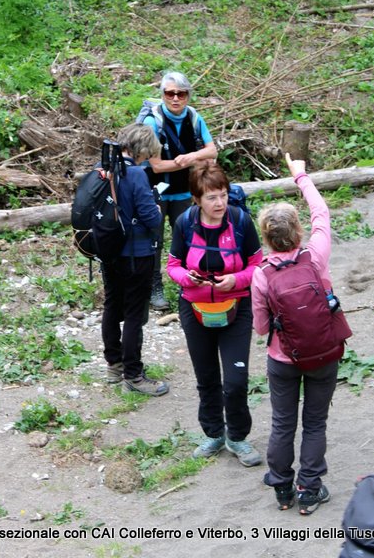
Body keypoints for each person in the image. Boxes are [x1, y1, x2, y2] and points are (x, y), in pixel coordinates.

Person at [251, 152, 339, 514]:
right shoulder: (315, 257)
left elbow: (260, 327)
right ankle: (309, 490)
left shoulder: (261, 274)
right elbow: (322, 213)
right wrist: (300, 176)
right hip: (323, 353)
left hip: (283, 359)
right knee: (315, 423)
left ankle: (283, 488)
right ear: (298, 232)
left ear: (266, 238)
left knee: (283, 423)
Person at [166, 163, 263, 465]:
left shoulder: (241, 221)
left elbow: (258, 265)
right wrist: (187, 278)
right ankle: (214, 434)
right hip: (194, 309)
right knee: (206, 377)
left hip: (237, 306)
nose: (220, 203)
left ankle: (238, 438)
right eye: (211, 197)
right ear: (197, 199)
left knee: (235, 380)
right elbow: (173, 266)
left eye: (223, 195)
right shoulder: (184, 223)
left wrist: (237, 280)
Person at [101, 123, 169, 397]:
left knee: (111, 305)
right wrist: (156, 208)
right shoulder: (136, 174)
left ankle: (114, 366)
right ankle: (133, 374)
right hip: (136, 254)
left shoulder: (103, 168)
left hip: (108, 250)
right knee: (133, 313)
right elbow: (151, 218)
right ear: (142, 149)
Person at [143, 71, 217, 310]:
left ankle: (188, 282)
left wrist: (192, 156)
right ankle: (154, 286)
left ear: (188, 95)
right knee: (154, 241)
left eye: (181, 94)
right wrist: (187, 162)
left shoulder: (194, 117)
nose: (175, 98)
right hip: (155, 192)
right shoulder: (152, 122)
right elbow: (156, 165)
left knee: (187, 239)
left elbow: (212, 151)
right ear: (162, 94)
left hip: (184, 191)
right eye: (169, 93)